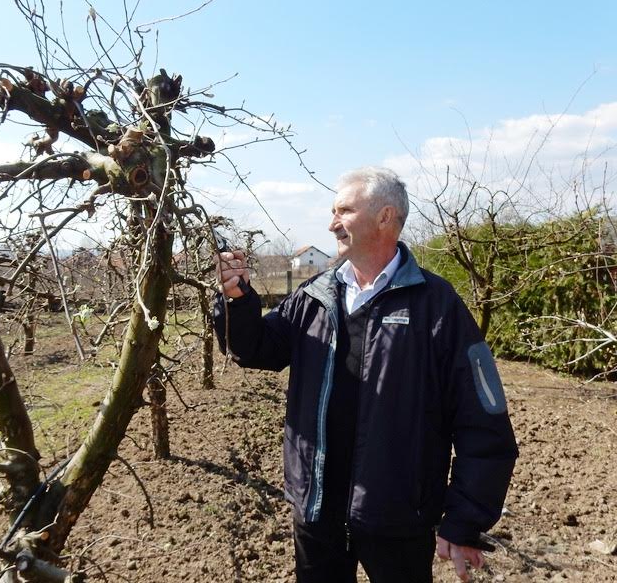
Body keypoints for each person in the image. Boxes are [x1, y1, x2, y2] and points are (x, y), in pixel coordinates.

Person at [213, 167, 518, 583]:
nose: (331, 223)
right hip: (317, 512)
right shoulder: (315, 296)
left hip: (398, 518)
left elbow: (483, 420)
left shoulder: (437, 305)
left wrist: (464, 519)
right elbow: (256, 349)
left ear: (384, 217)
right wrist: (238, 301)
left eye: (343, 210)